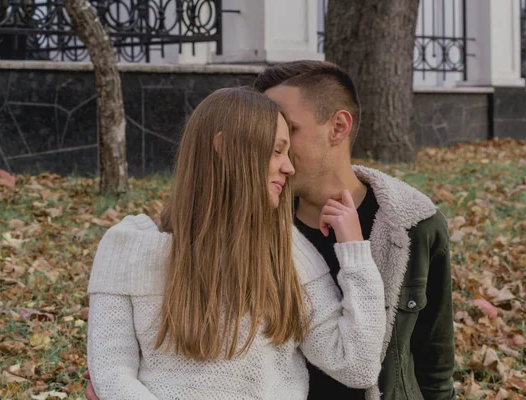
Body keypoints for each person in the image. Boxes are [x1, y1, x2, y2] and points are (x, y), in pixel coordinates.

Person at [85, 87, 387, 399]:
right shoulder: (129, 247)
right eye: (276, 151)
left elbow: (357, 366)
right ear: (225, 147)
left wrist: (354, 251)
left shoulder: (288, 252)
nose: (289, 168)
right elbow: (111, 372)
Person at [253, 61, 456, 400]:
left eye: (290, 131)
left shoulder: (415, 226)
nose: (274, 147)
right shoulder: (256, 223)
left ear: (338, 127)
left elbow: (434, 359)